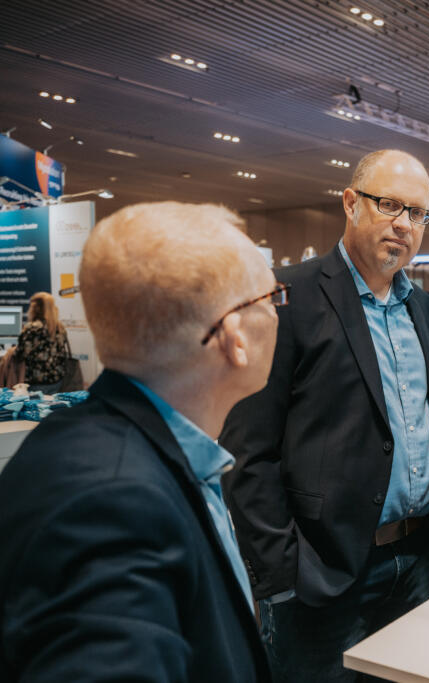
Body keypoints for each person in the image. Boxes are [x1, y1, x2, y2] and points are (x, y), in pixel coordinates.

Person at [220, 149, 429, 682]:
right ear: (349, 202)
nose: (404, 224)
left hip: (415, 563)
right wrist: (283, 571)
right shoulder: (285, 298)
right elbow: (247, 450)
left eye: (418, 214)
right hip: (323, 576)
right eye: (390, 205)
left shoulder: (420, 306)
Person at [0, 202, 277, 681]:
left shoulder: (113, 448)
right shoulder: (114, 503)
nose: (278, 314)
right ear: (235, 336)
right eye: (274, 297)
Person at [16, 291, 70, 390]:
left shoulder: (31, 328)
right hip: (57, 381)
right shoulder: (59, 327)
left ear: (34, 308)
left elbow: (20, 355)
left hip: (36, 382)